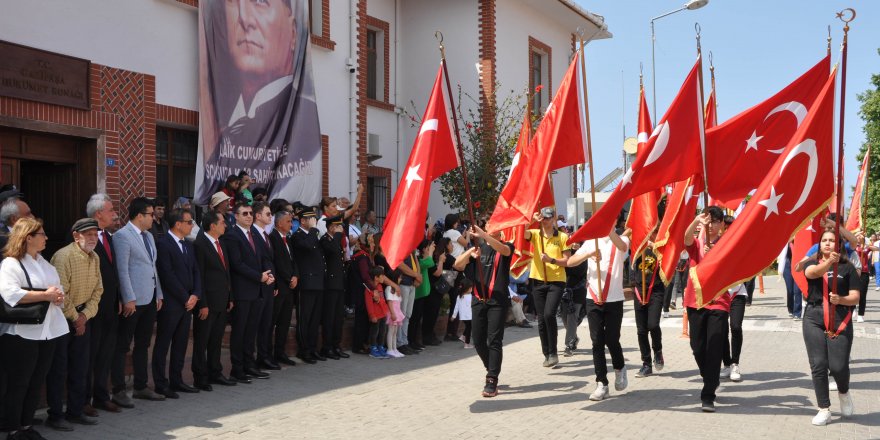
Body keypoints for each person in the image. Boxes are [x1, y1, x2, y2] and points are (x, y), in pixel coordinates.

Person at [0, 218, 68, 440]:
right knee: (19, 383)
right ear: (28, 237)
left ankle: (26, 425)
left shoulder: (45, 263)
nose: (46, 238)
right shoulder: (11, 263)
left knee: (36, 381)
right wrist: (46, 295)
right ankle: (12, 429)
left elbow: (58, 289)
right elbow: (10, 295)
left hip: (49, 330)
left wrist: (58, 297)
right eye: (42, 234)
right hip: (22, 333)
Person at [45, 218, 104, 431]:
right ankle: (55, 415)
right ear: (75, 235)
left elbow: (98, 290)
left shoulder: (95, 257)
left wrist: (85, 316)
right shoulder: (63, 256)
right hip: (61, 318)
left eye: (95, 234)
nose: (92, 238)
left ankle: (76, 411)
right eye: (88, 234)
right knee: (59, 369)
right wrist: (75, 317)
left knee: (81, 367)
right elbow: (61, 293)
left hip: (83, 319)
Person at [567, 217, 630, 401]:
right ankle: (601, 383)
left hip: (614, 299)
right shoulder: (590, 242)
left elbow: (623, 248)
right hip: (593, 298)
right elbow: (571, 262)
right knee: (597, 341)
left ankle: (619, 367)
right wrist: (587, 255)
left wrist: (608, 230)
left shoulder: (621, 239)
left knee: (612, 339)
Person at [112, 197, 166, 405]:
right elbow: (122, 270)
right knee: (123, 344)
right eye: (151, 214)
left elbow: (153, 267)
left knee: (143, 343)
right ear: (139, 215)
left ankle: (141, 386)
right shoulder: (122, 236)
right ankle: (118, 389)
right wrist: (128, 298)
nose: (154, 217)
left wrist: (159, 293)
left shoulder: (150, 237)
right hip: (133, 301)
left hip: (150, 297)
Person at [802, 230, 860, 426]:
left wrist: (841, 299)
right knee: (818, 364)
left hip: (840, 317)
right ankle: (824, 408)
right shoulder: (813, 263)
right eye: (824, 241)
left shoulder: (848, 268)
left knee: (838, 366)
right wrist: (827, 263)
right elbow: (811, 273)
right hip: (814, 316)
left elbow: (855, 297)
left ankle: (843, 392)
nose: (827, 243)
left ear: (839, 244)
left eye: (832, 240)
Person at [452, 224, 515, 398]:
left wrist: (483, 235)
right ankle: (492, 367)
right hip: (478, 300)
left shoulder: (506, 246)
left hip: (497, 302)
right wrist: (469, 252)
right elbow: (458, 264)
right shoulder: (478, 249)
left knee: (494, 340)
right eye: (488, 224)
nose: (490, 227)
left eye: (494, 225)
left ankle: (491, 379)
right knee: (478, 341)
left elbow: (503, 250)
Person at [682, 206, 733, 413]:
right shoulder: (696, 243)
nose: (711, 226)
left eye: (715, 222)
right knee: (697, 346)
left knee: (714, 347)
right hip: (696, 301)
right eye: (708, 221)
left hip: (719, 302)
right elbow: (685, 239)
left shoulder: (727, 244)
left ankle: (708, 394)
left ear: (722, 224)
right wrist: (696, 221)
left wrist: (716, 255)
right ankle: (709, 377)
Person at [222, 202, 275, 382]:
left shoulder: (253, 234)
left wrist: (268, 274)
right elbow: (237, 264)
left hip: (257, 291)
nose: (249, 216)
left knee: (251, 331)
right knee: (239, 332)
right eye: (244, 213)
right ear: (235, 216)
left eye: (251, 213)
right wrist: (258, 277)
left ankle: (249, 365)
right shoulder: (232, 235)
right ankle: (237, 369)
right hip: (242, 292)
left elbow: (263, 258)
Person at [153, 209, 202, 398]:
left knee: (181, 343)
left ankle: (177, 379)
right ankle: (160, 383)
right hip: (172, 304)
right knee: (163, 344)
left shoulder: (189, 245)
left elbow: (196, 271)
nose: (192, 226)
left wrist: (195, 295)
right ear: (178, 224)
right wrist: (185, 297)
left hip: (188, 303)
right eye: (189, 222)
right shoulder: (163, 244)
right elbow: (167, 275)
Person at [85, 194, 122, 415]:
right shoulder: (85, 236)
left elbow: (113, 272)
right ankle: (84, 399)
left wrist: (118, 298)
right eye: (110, 210)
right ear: (98, 213)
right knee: (89, 355)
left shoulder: (109, 237)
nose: (114, 214)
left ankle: (101, 396)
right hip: (92, 307)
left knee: (106, 353)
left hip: (110, 306)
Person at [192, 211, 236, 391]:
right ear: (212, 226)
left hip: (222, 300)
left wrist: (230, 296)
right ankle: (200, 377)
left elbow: (227, 272)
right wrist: (202, 303)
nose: (225, 225)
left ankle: (215, 372)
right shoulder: (200, 245)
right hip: (207, 302)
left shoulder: (221, 243)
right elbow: (199, 276)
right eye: (222, 223)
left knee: (216, 339)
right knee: (202, 341)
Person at [524, 207, 571, 367]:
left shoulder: (562, 237)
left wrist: (551, 260)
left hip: (556, 281)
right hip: (537, 280)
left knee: (549, 314)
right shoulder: (536, 234)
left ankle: (553, 352)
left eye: (548, 218)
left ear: (553, 219)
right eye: (543, 218)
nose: (545, 221)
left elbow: (567, 261)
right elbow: (523, 232)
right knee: (542, 319)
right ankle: (547, 353)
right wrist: (532, 220)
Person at [290, 207, 325, 364]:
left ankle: (312, 348)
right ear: (302, 221)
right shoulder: (297, 236)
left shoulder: (313, 235)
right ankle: (303, 350)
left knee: (315, 318)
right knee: (305, 318)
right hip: (306, 282)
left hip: (318, 282)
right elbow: (308, 246)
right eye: (310, 219)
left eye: (314, 218)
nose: (313, 221)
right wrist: (313, 230)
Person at [628, 231, 665, 378]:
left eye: (653, 233)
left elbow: (669, 258)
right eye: (648, 232)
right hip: (639, 292)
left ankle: (658, 351)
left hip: (655, 291)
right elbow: (631, 265)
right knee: (641, 330)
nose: (650, 235)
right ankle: (646, 364)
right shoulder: (638, 248)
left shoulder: (661, 248)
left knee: (653, 325)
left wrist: (654, 246)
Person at [266, 209, 299, 365]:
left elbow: (294, 261)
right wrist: (287, 278)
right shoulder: (272, 238)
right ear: (279, 223)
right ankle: (267, 354)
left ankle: (280, 352)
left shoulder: (288, 239)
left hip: (290, 286)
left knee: (285, 322)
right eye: (288, 221)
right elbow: (276, 262)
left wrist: (295, 276)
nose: (291, 224)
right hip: (279, 285)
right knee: (273, 320)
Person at [251, 202, 280, 371]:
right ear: (258, 216)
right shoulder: (253, 234)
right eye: (268, 214)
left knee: (267, 323)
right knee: (259, 324)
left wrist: (273, 281)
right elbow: (257, 259)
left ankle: (265, 356)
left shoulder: (265, 234)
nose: (271, 217)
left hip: (269, 284)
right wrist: (266, 277)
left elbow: (270, 259)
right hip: (260, 284)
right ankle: (259, 357)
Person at [319, 215, 347, 360]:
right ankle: (327, 347)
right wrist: (337, 235)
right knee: (329, 317)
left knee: (338, 317)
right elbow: (332, 250)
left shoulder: (336, 240)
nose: (341, 229)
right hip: (330, 284)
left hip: (339, 283)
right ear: (331, 227)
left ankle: (336, 345)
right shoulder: (325, 240)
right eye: (338, 226)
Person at [409, 239, 435, 350]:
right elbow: (430, 263)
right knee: (414, 318)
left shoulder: (422, 260)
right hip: (418, 294)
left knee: (418, 318)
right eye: (428, 248)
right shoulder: (419, 261)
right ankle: (411, 340)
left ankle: (415, 340)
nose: (430, 250)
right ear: (424, 249)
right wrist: (431, 252)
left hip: (423, 294)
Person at [561, 251, 587, 357]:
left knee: (572, 317)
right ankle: (574, 337)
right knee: (564, 318)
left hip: (578, 290)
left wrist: (566, 263)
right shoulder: (563, 254)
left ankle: (569, 345)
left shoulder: (584, 254)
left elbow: (579, 271)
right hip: (564, 290)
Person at [779, 240, 803, 319]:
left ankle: (797, 312)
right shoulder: (786, 241)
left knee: (797, 290)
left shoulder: (800, 241)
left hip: (798, 265)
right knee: (790, 290)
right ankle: (790, 309)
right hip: (788, 265)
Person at [384, 275, 405, 358]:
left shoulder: (397, 289)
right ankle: (390, 349)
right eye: (399, 277)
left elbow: (399, 301)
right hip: (392, 312)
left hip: (397, 312)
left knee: (395, 332)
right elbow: (389, 301)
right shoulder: (389, 288)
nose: (401, 279)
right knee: (391, 330)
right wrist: (392, 313)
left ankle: (394, 348)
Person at [451, 278, 474, 349]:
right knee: (469, 329)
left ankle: (463, 337)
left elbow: (456, 307)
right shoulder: (471, 297)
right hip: (469, 316)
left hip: (463, 317)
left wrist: (453, 316)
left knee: (468, 327)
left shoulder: (459, 297)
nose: (471, 289)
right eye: (470, 288)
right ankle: (466, 344)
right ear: (467, 288)